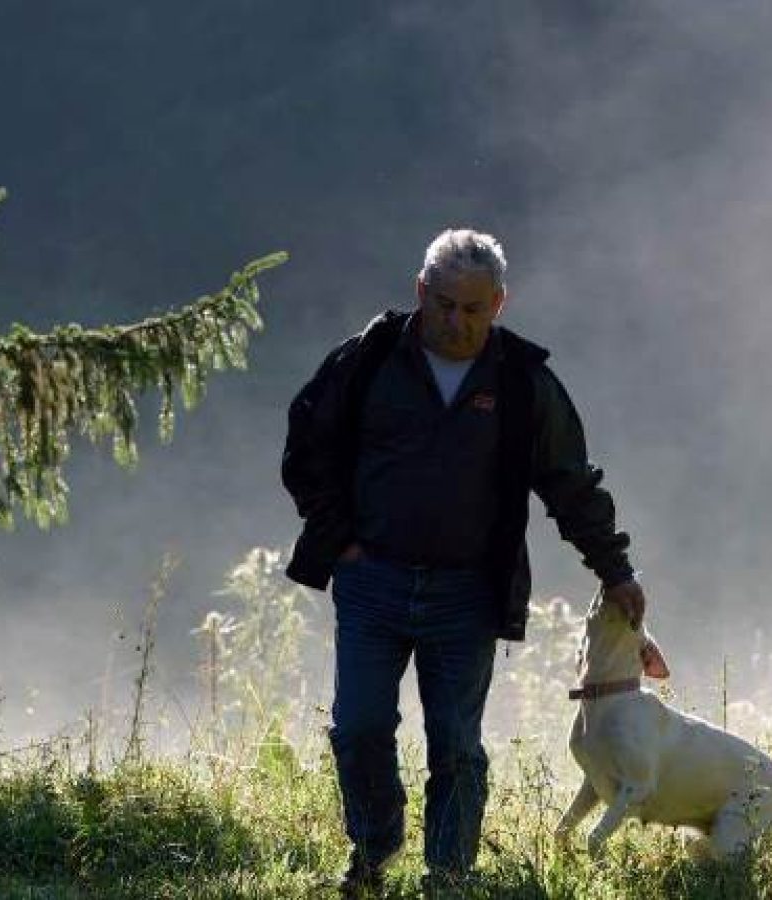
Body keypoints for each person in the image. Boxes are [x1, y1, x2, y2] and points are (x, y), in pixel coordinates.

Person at [281, 228, 646, 893]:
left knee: (456, 744)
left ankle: (448, 874)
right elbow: (308, 447)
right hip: (373, 581)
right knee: (359, 726)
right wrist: (342, 544)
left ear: (499, 304)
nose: (457, 322)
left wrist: (614, 570)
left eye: (473, 309)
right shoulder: (368, 361)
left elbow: (571, 481)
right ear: (422, 291)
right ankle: (374, 848)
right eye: (444, 304)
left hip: (468, 592)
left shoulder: (522, 383)